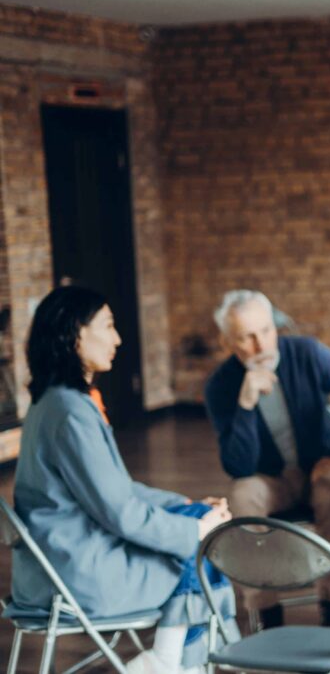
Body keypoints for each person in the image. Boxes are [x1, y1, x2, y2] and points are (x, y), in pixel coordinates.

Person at [10, 286, 238, 674]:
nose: (117, 338)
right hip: (78, 576)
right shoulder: (71, 413)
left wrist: (186, 505)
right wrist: (196, 529)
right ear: (76, 334)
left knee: (199, 527)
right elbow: (121, 515)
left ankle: (175, 660)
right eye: (109, 326)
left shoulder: (52, 401)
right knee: (202, 548)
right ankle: (181, 661)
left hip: (56, 565)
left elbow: (118, 489)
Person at [203, 289, 330, 628]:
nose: (262, 346)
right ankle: (265, 611)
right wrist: (245, 404)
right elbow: (239, 466)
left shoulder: (305, 353)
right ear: (229, 342)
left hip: (320, 468)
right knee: (243, 493)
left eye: (266, 330)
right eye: (248, 337)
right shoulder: (220, 385)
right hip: (270, 478)